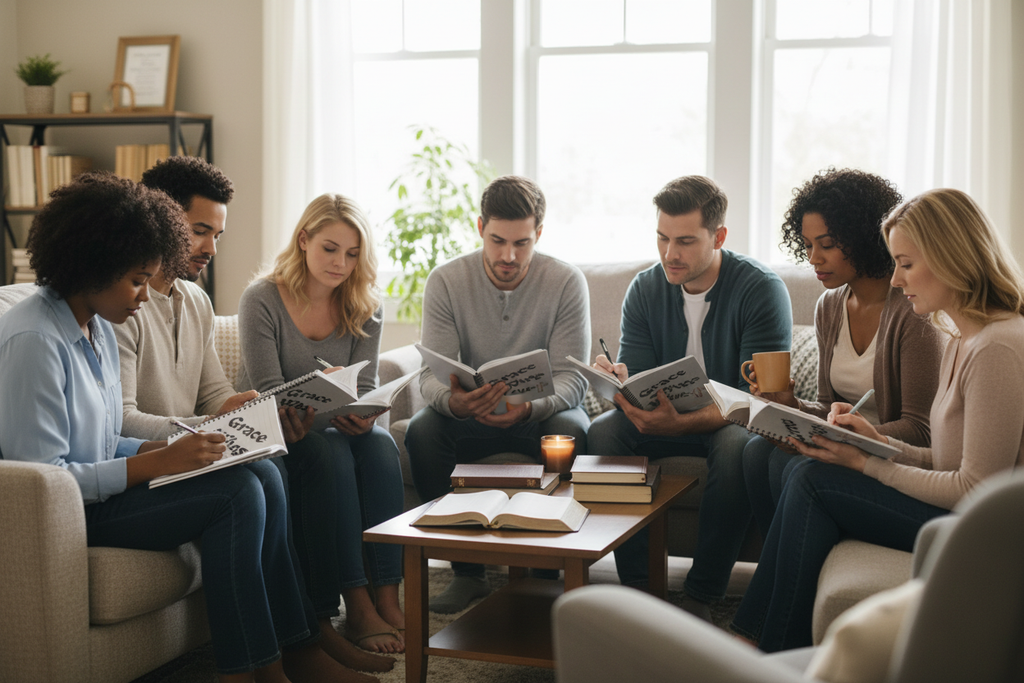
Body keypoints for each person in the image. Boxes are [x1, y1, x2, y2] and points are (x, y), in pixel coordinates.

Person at [0, 172, 379, 683]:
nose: (142, 296)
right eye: (136, 280)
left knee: (262, 474)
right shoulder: (35, 340)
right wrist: (159, 460)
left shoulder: (96, 326)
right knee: (236, 495)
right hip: (67, 515)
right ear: (92, 265)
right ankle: (249, 671)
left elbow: (107, 434)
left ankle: (295, 649)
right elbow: (43, 482)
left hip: (105, 490)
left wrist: (183, 444)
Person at [118, 157, 395, 669]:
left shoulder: (195, 300)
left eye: (217, 235)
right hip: (157, 458)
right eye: (200, 232)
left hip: (196, 447)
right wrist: (211, 429)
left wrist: (242, 408)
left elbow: (213, 393)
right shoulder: (121, 304)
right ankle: (305, 640)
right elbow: (121, 417)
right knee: (270, 474)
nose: (211, 248)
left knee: (294, 462)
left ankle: (314, 628)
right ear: (159, 220)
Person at [730, 188, 1024, 652]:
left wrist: (870, 464)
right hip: (955, 511)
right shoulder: (963, 340)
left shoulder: (998, 347)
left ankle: (759, 645)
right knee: (794, 465)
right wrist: (870, 439)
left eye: (906, 264)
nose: (895, 280)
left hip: (978, 531)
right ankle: (770, 643)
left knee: (811, 479)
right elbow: (943, 457)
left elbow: (975, 488)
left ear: (951, 257)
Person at [587, 175, 792, 618]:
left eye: (684, 241)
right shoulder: (645, 288)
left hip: (727, 423)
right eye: (662, 238)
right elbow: (640, 375)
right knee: (602, 434)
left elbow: (753, 398)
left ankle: (704, 593)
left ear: (718, 236)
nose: (669, 254)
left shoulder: (760, 289)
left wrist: (682, 422)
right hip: (664, 417)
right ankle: (639, 586)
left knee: (740, 445)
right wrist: (620, 382)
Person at [404, 175, 591, 614]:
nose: (508, 256)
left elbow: (573, 379)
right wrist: (453, 403)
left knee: (572, 429)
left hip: (540, 417)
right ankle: (466, 572)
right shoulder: (447, 280)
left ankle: (547, 571)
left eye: (522, 243)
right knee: (422, 431)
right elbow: (429, 376)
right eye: (498, 240)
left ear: (539, 234)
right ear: (479, 227)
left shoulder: (565, 281)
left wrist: (532, 407)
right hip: (469, 416)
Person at [237, 193, 406, 654]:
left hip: (331, 429)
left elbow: (365, 386)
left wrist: (365, 417)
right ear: (304, 239)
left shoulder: (365, 305)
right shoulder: (262, 299)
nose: (341, 263)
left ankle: (388, 594)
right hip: (275, 432)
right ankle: (355, 601)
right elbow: (269, 394)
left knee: (380, 447)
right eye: (330, 249)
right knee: (329, 449)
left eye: (353, 254)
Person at [742, 168, 944, 538]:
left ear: (864, 238)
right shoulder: (830, 306)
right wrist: (792, 405)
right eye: (807, 244)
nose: (813, 258)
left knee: (788, 466)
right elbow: (827, 404)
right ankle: (783, 561)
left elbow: (921, 430)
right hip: (847, 441)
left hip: (889, 455)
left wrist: (851, 438)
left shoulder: (914, 312)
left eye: (828, 244)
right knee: (756, 452)